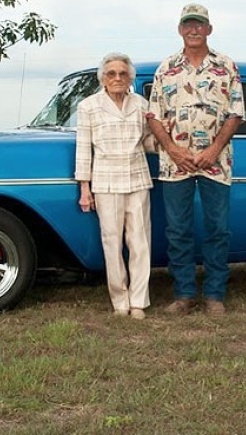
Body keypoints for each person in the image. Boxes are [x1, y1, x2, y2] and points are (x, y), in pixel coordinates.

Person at [146, 3, 244, 315]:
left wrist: (214, 149)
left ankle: (215, 294)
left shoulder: (226, 66)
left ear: (209, 29)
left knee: (217, 228)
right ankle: (184, 294)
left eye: (200, 24)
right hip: (176, 163)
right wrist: (173, 150)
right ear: (180, 29)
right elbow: (153, 116)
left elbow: (236, 112)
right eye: (188, 24)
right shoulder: (166, 68)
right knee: (178, 230)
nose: (194, 30)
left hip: (217, 161)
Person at [74, 52, 154, 318]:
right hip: (105, 182)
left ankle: (139, 301)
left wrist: (169, 137)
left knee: (140, 241)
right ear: (103, 79)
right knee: (111, 242)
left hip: (138, 178)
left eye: (122, 73)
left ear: (130, 77)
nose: (117, 78)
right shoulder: (88, 106)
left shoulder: (141, 104)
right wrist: (85, 189)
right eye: (111, 74)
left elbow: (147, 142)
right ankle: (119, 301)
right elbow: (84, 149)